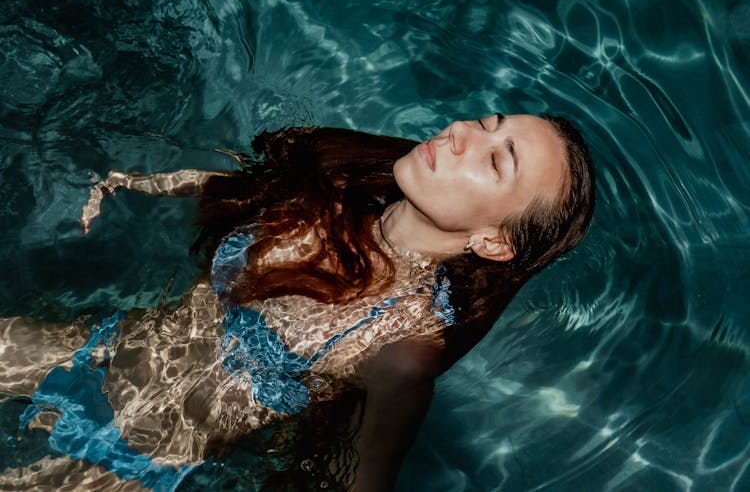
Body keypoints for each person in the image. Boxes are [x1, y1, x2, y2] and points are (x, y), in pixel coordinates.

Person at [0, 113, 595, 491]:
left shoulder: (402, 351)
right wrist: (122, 182)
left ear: (493, 241)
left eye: (496, 160)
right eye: (490, 121)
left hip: (128, 451)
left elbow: (364, 476)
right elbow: (231, 183)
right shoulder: (340, 191)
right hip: (101, 345)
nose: (465, 132)